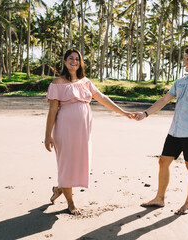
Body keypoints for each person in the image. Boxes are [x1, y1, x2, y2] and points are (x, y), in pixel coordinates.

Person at [44, 49, 134, 215]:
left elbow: (103, 99)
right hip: (64, 129)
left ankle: (59, 188)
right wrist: (47, 135)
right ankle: (70, 202)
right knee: (66, 163)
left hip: (83, 130)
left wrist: (124, 112)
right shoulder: (57, 82)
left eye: (77, 59)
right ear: (64, 62)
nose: (74, 61)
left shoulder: (85, 82)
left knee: (77, 162)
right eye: (70, 58)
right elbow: (52, 110)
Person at [134, 45, 188, 215]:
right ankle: (160, 198)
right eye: (185, 58)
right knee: (163, 161)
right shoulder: (180, 82)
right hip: (175, 131)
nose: (184, 62)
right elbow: (164, 100)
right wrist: (145, 114)